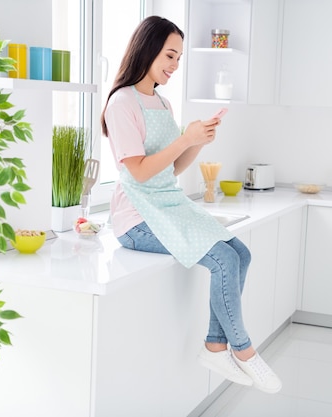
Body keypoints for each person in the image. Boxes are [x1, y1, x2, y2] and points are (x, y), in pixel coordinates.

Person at [100, 16, 282, 394]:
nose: (174, 65)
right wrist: (185, 140)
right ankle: (243, 351)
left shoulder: (162, 102)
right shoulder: (121, 103)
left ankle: (215, 346)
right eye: (170, 55)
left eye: (179, 58)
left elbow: (173, 168)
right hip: (137, 217)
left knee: (241, 254)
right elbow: (138, 173)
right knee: (223, 259)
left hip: (169, 204)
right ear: (146, 50)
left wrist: (198, 141)